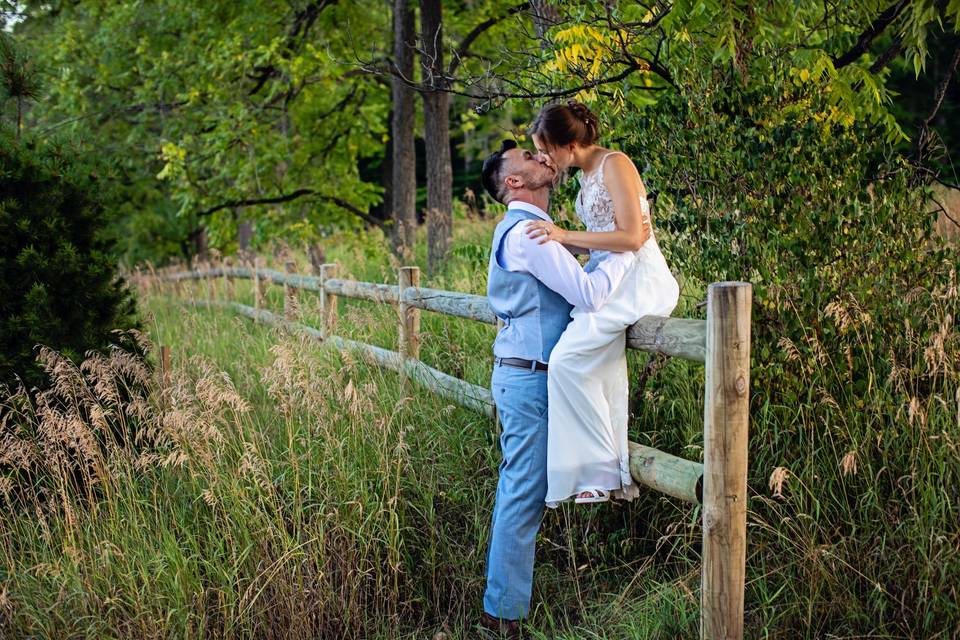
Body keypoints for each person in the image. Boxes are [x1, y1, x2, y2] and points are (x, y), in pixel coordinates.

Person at [477, 139, 634, 637]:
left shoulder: (537, 231)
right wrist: (633, 247)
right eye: (526, 157)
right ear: (513, 182)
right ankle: (502, 615)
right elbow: (587, 293)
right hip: (530, 376)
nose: (540, 156)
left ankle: (504, 604)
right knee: (523, 490)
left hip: (530, 372)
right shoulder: (528, 234)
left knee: (523, 488)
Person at [525, 101, 680, 507]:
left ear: (570, 144)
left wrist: (565, 234)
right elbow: (595, 238)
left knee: (566, 359)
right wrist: (556, 241)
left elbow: (632, 238)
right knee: (588, 366)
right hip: (609, 279)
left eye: (546, 149)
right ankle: (600, 476)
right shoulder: (584, 177)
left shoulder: (615, 164)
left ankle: (600, 468)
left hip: (638, 278)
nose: (543, 158)